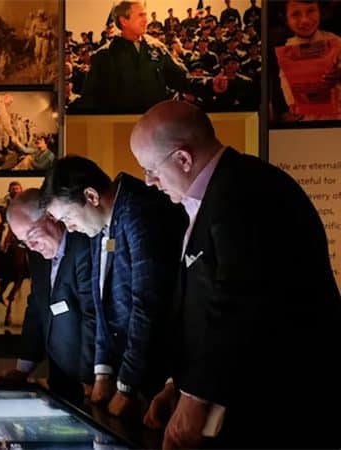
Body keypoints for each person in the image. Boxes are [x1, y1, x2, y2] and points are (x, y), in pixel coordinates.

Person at [130, 100, 341, 449]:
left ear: (183, 159)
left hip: (279, 408)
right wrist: (177, 385)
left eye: (150, 169)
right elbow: (203, 303)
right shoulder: (218, 192)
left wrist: (195, 397)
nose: (150, 182)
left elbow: (238, 304)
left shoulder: (246, 191)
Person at [42, 155, 186, 419]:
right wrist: (103, 372)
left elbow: (147, 304)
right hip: (127, 372)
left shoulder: (139, 211)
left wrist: (126, 387)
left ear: (91, 196)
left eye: (69, 217)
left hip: (156, 373)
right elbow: (101, 304)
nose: (70, 229)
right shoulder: (100, 226)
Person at [0, 189, 95, 405]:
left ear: (50, 216)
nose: (30, 246)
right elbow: (37, 307)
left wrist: (92, 376)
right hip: (60, 379)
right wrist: (23, 368)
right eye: (23, 241)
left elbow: (92, 314)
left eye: (31, 235)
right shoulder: (38, 256)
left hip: (93, 383)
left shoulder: (83, 245)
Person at [76, 1, 215, 113]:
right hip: (120, 130)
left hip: (155, 128)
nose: (146, 20)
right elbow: (89, 99)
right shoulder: (104, 56)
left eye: (145, 15)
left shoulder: (157, 48)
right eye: (140, 16)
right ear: (123, 21)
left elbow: (182, 79)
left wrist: (210, 84)